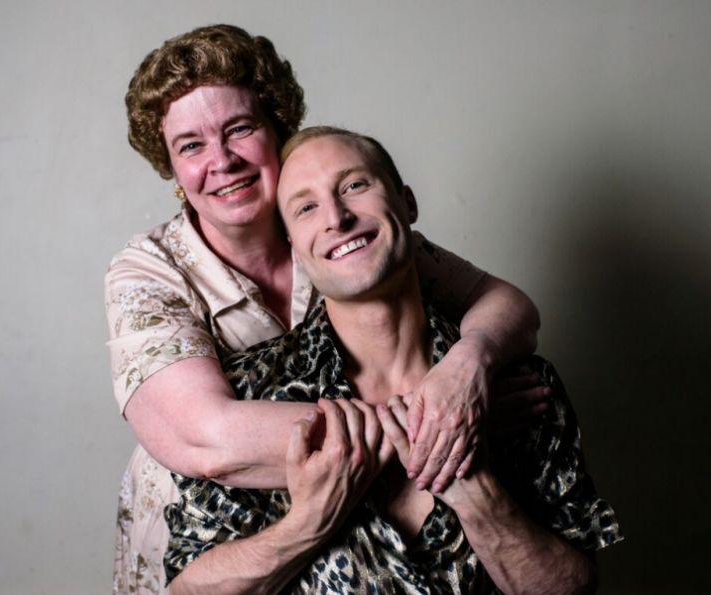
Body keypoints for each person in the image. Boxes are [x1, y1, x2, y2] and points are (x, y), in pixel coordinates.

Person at [106, 25, 543, 594]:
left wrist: (469, 367)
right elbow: (208, 440)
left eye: (240, 129)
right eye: (191, 145)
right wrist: (445, 427)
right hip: (214, 545)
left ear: (277, 129)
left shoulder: (335, 228)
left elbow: (505, 305)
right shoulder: (148, 273)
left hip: (367, 528)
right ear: (171, 169)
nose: (222, 160)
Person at [163, 127, 622, 594]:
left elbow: (575, 589)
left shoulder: (519, 384)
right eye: (306, 208)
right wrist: (306, 524)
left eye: (354, 186)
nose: (337, 218)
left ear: (408, 203)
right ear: (293, 246)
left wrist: (479, 495)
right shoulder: (252, 391)